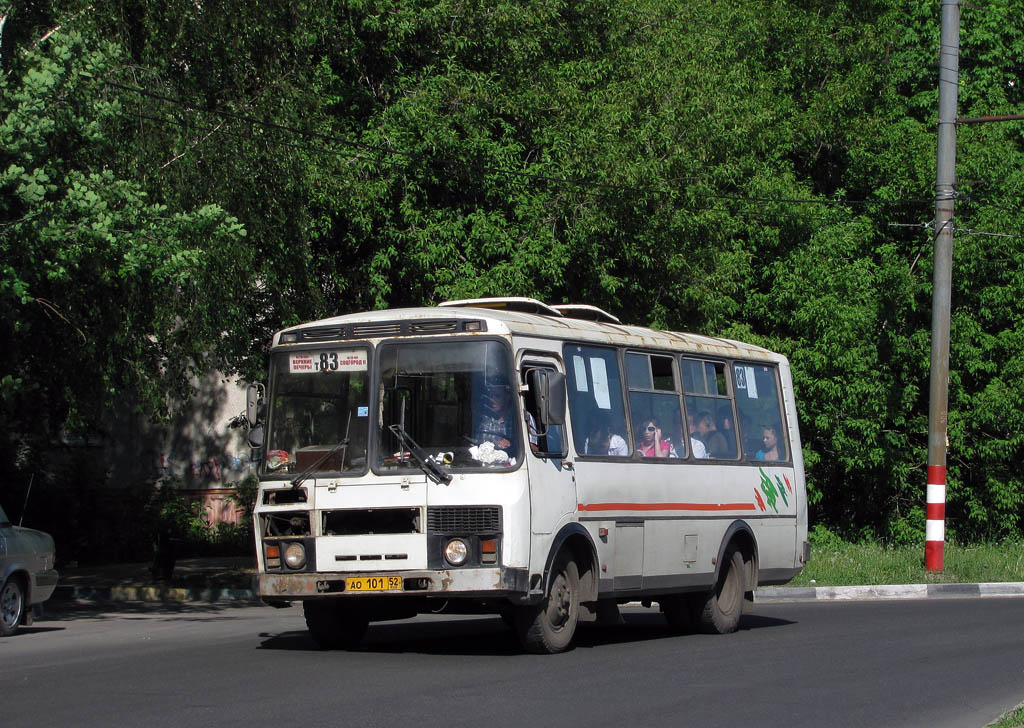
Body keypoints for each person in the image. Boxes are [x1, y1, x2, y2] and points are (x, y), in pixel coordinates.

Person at [475, 384, 520, 453]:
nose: (492, 400)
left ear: (507, 398)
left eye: (497, 396)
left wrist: (512, 444)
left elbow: (533, 448)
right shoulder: (485, 421)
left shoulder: (520, 419)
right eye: (491, 396)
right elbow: (478, 445)